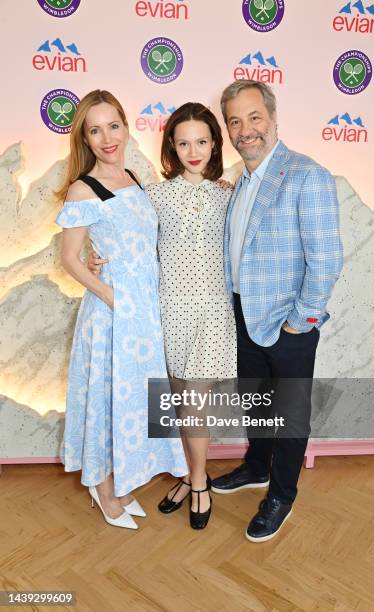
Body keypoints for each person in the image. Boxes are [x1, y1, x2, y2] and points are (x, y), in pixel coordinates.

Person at [89, 103, 237, 529]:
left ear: (214, 144)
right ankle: (190, 475)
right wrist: (97, 259)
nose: (194, 150)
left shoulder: (229, 194)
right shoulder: (152, 196)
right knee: (174, 401)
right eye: (184, 142)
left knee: (196, 403)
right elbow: (125, 238)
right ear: (171, 146)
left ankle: (197, 484)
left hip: (211, 311)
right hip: (164, 311)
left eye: (203, 141)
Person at [210, 80, 344, 542]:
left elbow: (326, 258)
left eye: (254, 118)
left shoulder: (307, 175)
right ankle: (256, 467)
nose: (245, 130)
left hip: (289, 325)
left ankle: (281, 494)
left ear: (272, 119)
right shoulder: (240, 180)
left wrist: (299, 321)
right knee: (256, 401)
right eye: (234, 121)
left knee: (288, 414)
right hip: (244, 316)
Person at [55, 89, 187, 530]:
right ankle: (103, 486)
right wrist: (113, 298)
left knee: (134, 398)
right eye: (95, 130)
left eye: (113, 125)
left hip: (145, 310)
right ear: (85, 140)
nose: (107, 137)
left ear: (127, 128)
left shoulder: (133, 175)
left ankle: (121, 477)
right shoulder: (82, 188)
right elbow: (70, 259)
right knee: (109, 397)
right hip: (114, 313)